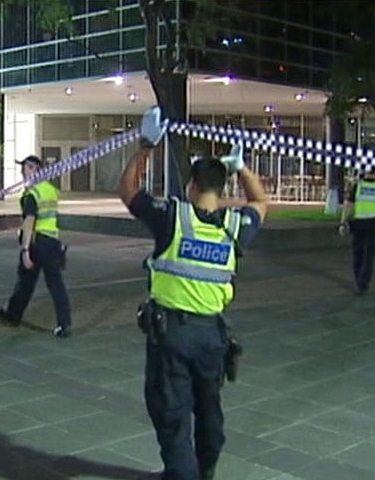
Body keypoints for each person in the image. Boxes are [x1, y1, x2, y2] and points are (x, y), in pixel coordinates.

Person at [118, 106, 268, 480]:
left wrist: (146, 146)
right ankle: (205, 469)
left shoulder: (173, 218)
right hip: (212, 337)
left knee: (172, 415)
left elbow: (128, 191)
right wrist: (241, 167)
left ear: (192, 187)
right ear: (223, 187)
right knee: (209, 409)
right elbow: (262, 203)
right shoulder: (235, 226)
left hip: (172, 336)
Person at [0, 155, 72, 338]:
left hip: (37, 243)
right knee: (56, 284)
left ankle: (13, 316)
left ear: (35, 170)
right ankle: (64, 324)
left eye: (27, 168)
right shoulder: (50, 190)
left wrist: (25, 250)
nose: (23, 171)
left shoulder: (31, 194)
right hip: (52, 241)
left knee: (25, 281)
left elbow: (29, 221)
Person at [338, 170, 375, 294]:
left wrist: (343, 222)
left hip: (358, 223)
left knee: (358, 253)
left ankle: (358, 280)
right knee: (369, 256)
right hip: (374, 224)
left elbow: (348, 205)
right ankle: (362, 283)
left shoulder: (358, 186)